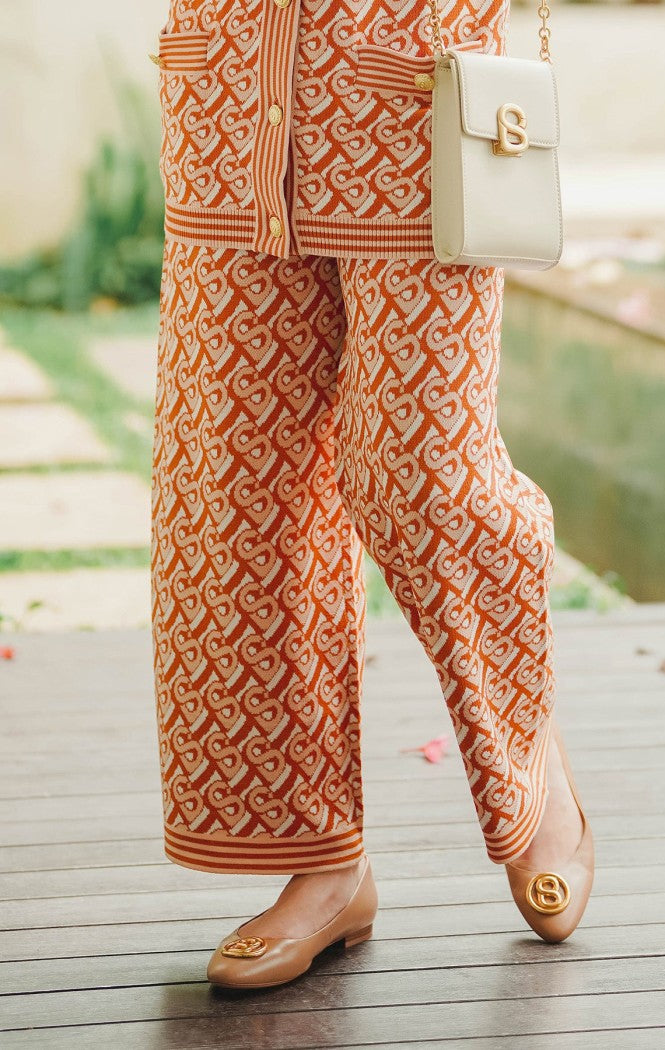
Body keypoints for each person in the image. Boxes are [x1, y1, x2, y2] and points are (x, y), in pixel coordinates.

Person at [150, 0, 594, 990]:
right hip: (228, 93)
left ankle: (523, 748)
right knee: (238, 495)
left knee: (419, 472)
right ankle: (324, 865)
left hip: (414, 97)